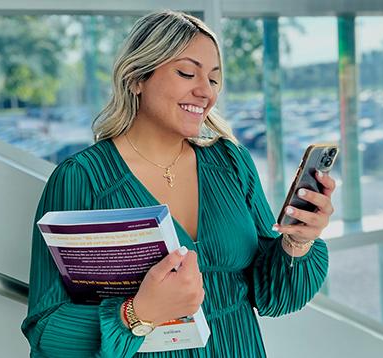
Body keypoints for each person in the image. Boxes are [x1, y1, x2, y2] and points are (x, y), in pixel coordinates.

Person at [21, 10, 335, 358]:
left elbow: (273, 296)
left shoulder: (231, 163)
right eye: (187, 73)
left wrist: (296, 242)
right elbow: (46, 330)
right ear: (137, 78)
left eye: (214, 79)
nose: (205, 92)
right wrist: (136, 315)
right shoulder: (82, 179)